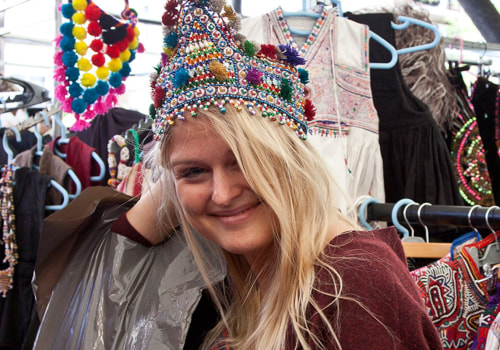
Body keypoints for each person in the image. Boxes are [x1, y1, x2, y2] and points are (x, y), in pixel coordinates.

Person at [31, 0, 442, 349]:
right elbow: (116, 252)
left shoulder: (354, 286)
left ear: (292, 161)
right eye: (194, 172)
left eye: (245, 161)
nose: (224, 194)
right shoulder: (256, 271)